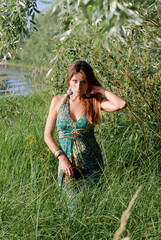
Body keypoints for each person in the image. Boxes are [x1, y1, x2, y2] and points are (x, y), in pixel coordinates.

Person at [44, 60, 126, 203]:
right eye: (75, 81)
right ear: (69, 80)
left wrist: (100, 90)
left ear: (89, 83)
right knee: (72, 209)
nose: (78, 87)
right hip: (67, 166)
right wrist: (62, 159)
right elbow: (47, 136)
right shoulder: (58, 101)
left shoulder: (94, 103)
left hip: (92, 165)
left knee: (92, 208)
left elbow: (121, 104)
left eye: (83, 82)